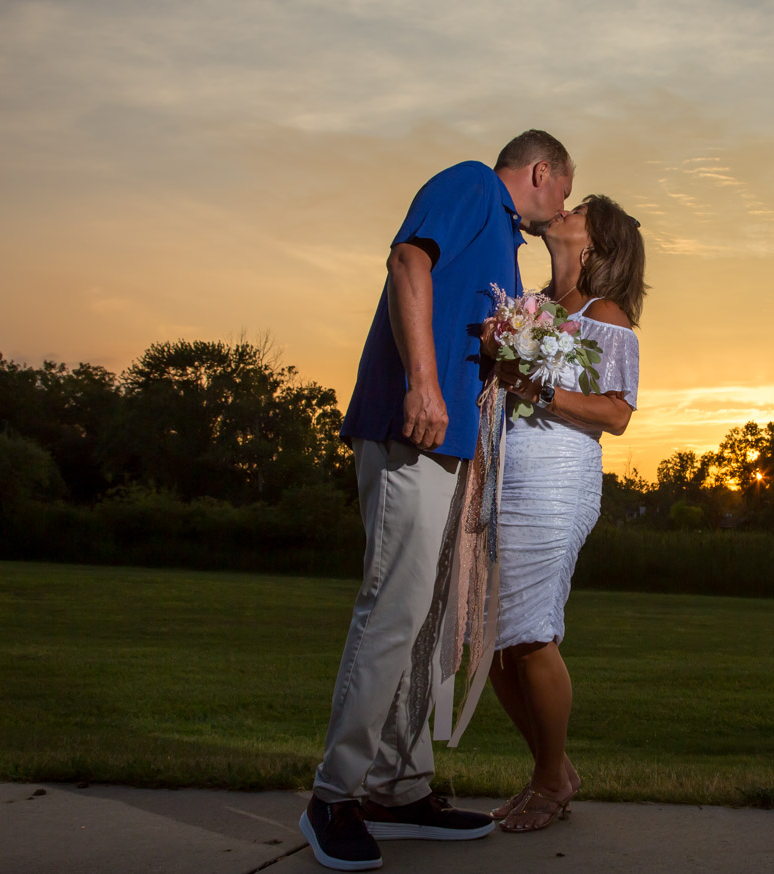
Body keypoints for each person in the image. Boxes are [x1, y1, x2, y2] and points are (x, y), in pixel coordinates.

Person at [299, 130, 575, 872]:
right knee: (394, 608)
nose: (563, 208)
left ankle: (399, 786)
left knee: (431, 619)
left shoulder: (506, 242)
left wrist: (499, 351)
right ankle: (334, 794)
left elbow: (466, 326)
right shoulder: (471, 186)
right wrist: (424, 379)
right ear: (541, 172)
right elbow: (408, 261)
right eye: (564, 192)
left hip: (453, 444)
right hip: (412, 427)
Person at [482, 194, 647, 833]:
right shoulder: (533, 308)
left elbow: (618, 413)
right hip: (504, 474)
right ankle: (555, 769)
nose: (564, 210)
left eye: (578, 210)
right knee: (497, 647)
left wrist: (539, 387)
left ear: (595, 243)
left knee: (530, 634)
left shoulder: (606, 316)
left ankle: (550, 782)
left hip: (555, 481)